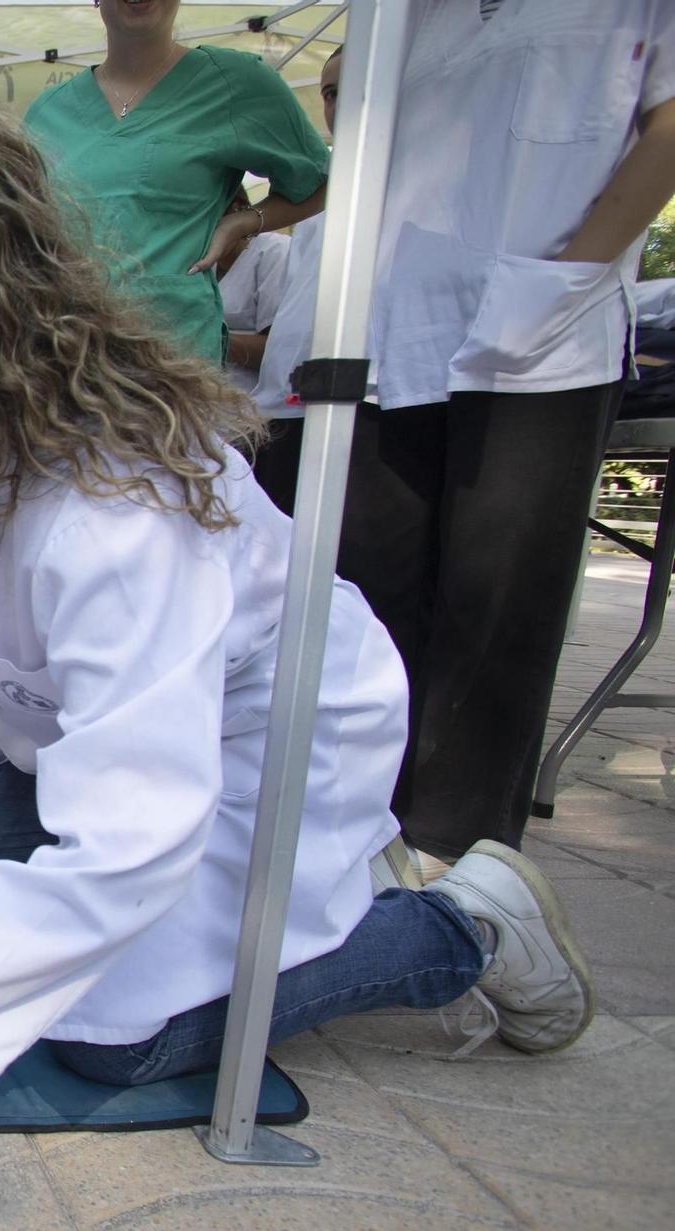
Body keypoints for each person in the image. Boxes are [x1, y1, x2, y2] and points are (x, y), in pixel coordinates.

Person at [0, 100, 594, 1109]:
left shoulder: (112, 510)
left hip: (259, 739)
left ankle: (455, 925)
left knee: (104, 1032)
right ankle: (304, 898)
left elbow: (131, 837)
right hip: (89, 732)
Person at [326, 1, 675, 879]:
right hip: (388, 328)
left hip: (547, 329)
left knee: (495, 617)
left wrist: (566, 277)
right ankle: (359, 846)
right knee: (372, 601)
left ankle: (461, 875)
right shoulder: (400, 15)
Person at [22, 0, 329, 364]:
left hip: (177, 364)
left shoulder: (235, 84)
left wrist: (243, 222)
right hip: (64, 363)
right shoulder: (46, 114)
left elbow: (319, 182)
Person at [250, 47, 343, 512]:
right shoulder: (315, 194)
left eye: (351, 89)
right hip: (286, 398)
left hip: (352, 398)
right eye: (330, 92)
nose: (340, 103)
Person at [214, 189, 290, 399]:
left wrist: (203, 338)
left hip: (256, 410)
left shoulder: (275, 252)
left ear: (238, 209)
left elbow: (279, 350)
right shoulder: (203, 263)